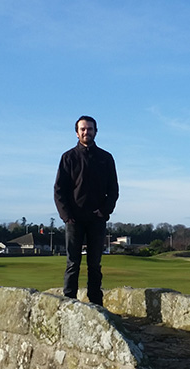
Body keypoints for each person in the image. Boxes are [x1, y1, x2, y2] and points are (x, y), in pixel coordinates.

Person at [54, 115, 119, 305]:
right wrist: (66, 216)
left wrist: (104, 212)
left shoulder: (105, 158)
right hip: (74, 218)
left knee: (94, 264)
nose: (86, 132)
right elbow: (59, 190)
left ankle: (96, 301)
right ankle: (69, 300)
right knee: (73, 263)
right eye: (82, 129)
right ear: (77, 133)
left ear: (95, 132)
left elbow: (113, 189)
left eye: (89, 129)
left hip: (97, 219)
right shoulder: (68, 157)